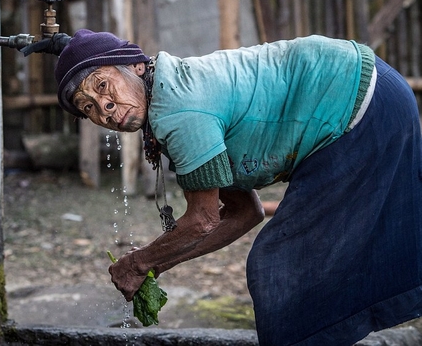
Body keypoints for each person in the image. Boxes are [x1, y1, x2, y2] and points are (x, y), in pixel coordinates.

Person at [23, 29, 422, 345]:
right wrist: (156, 265)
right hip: (372, 93)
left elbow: (201, 220)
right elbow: (241, 212)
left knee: (281, 266)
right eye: (88, 106)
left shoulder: (178, 110)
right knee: (299, 261)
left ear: (135, 67)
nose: (103, 108)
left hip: (359, 104)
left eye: (103, 85)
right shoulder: (166, 102)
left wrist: (139, 262)